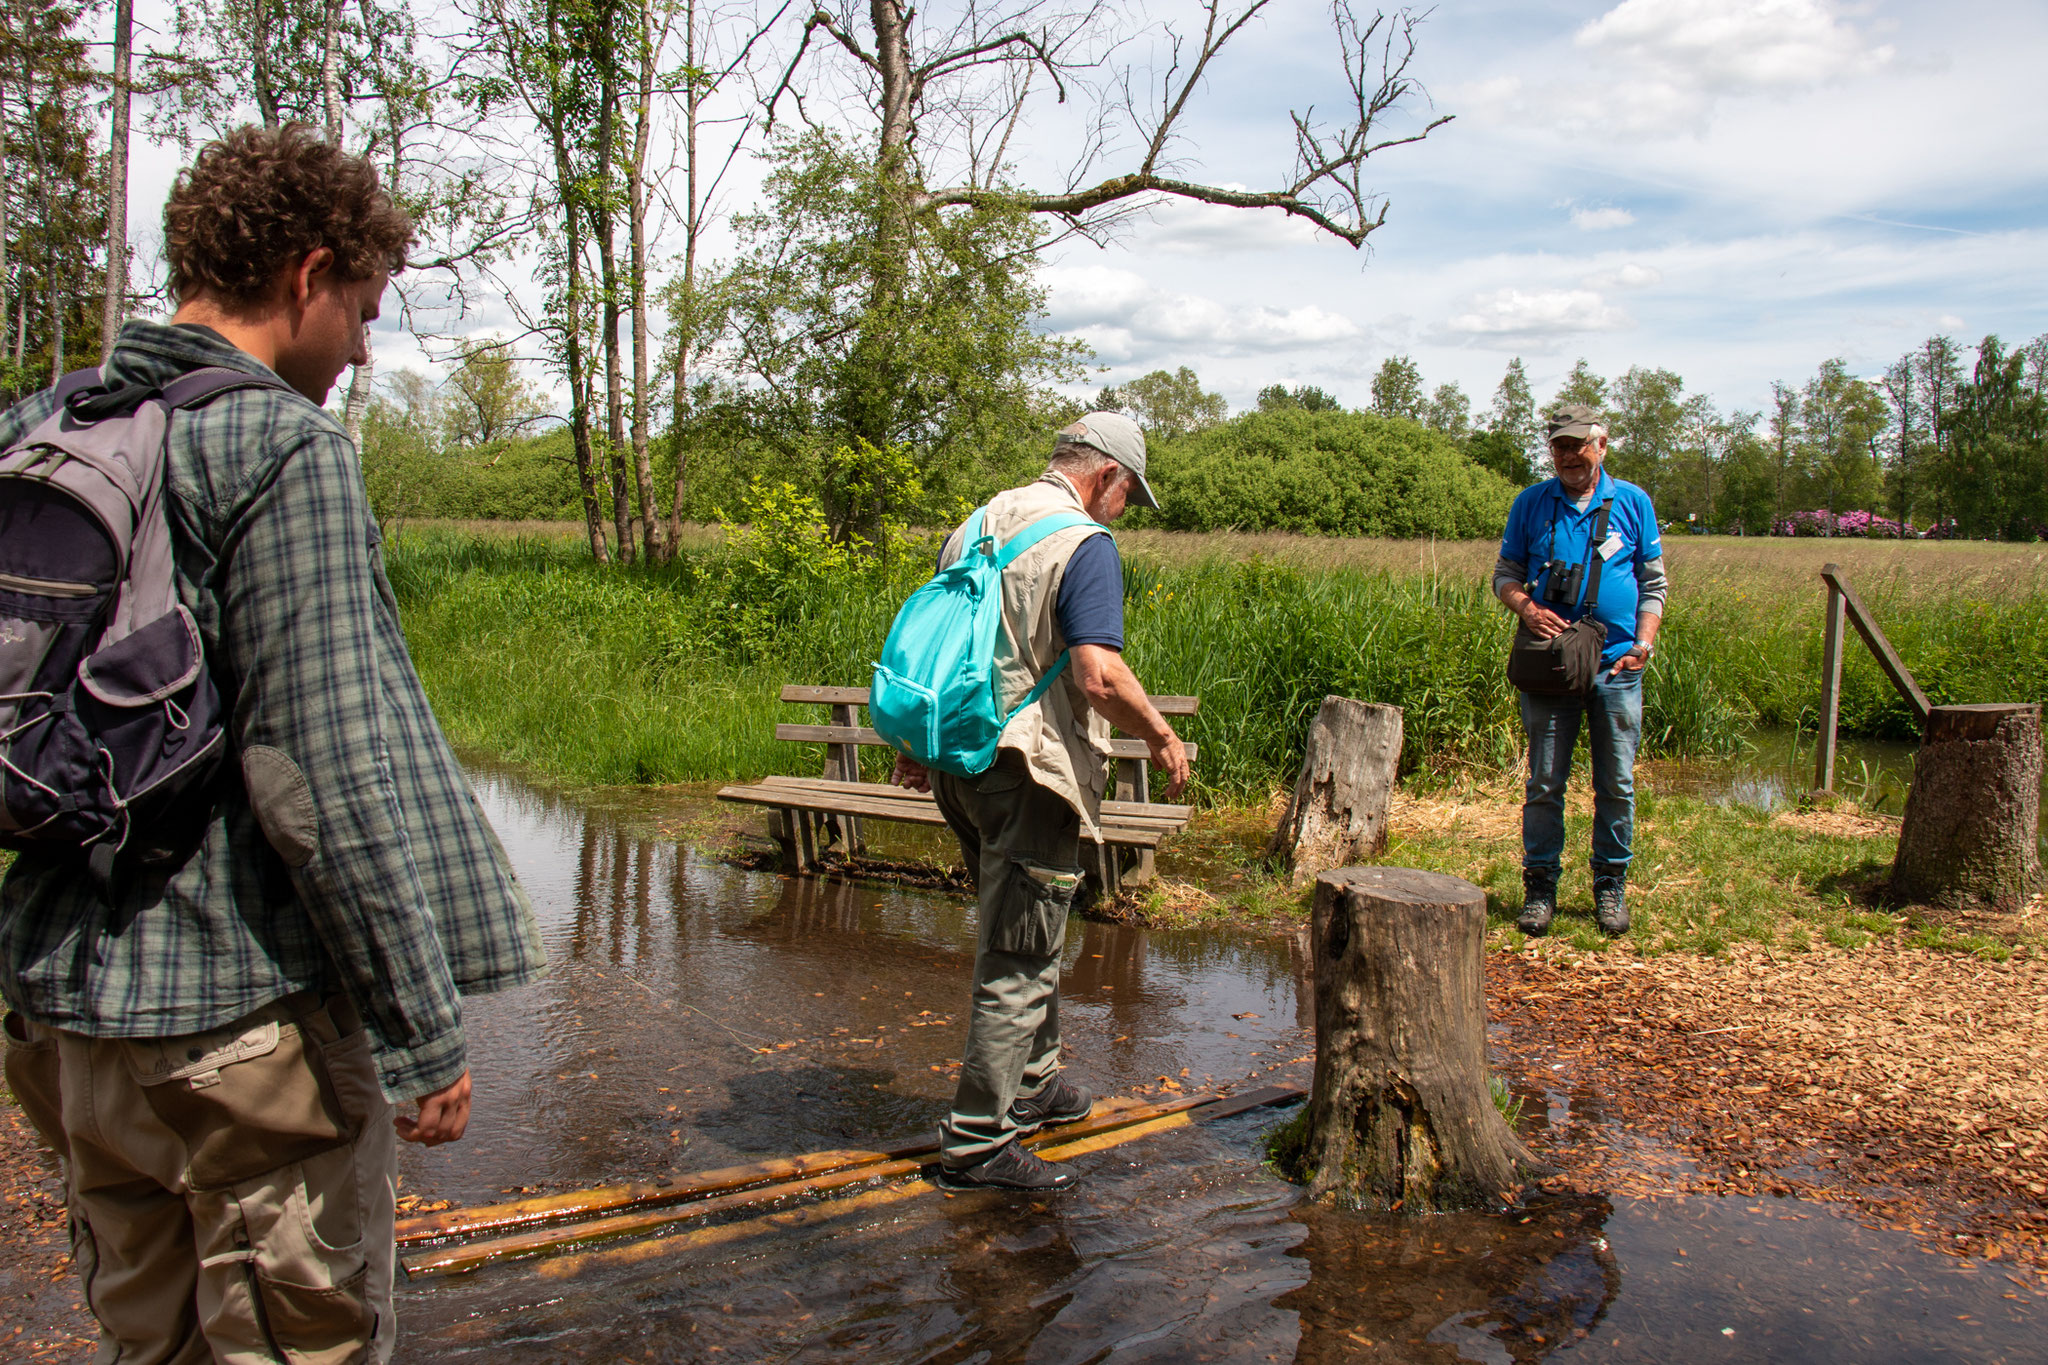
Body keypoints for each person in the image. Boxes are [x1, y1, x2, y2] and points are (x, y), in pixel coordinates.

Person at [0, 125, 545, 1363]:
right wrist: (420, 1028)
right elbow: (325, 776)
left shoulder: (43, 421)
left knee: (150, 1340)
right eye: (361, 309)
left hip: (62, 1016)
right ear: (307, 275)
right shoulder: (279, 447)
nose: (359, 347)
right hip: (240, 1032)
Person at [891, 411, 1189, 1192]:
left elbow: (937, 636)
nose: (1127, 510)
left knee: (1025, 927)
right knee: (1020, 952)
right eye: (1130, 494)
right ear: (1104, 478)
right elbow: (1096, 674)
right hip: (1029, 772)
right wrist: (1161, 734)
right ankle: (979, 1141)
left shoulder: (979, 520)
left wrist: (914, 746)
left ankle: (1038, 1082)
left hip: (961, 763)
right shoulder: (1085, 545)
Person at [1493, 402, 1667, 937]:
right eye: (1559, 447)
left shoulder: (1633, 502)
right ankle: (1540, 887)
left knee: (1615, 782)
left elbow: (1654, 584)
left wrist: (1643, 644)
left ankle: (1609, 886)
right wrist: (1525, 607)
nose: (1569, 455)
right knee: (1545, 780)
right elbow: (1505, 574)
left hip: (1618, 667)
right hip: (1551, 668)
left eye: (1578, 445)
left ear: (1602, 445)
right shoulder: (1531, 503)